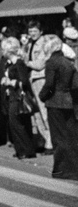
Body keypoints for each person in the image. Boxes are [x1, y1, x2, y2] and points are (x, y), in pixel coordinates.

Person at [37, 35, 78, 180]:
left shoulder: (52, 63)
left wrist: (42, 96)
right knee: (71, 136)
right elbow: (75, 85)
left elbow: (49, 85)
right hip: (69, 101)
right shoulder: (68, 62)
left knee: (58, 137)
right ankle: (73, 169)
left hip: (55, 102)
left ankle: (61, 169)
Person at [0, 37, 37, 159]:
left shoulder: (19, 63)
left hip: (18, 97)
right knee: (16, 124)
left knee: (17, 123)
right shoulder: (9, 64)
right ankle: (21, 149)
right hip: (11, 96)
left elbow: (24, 82)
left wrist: (10, 82)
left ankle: (27, 149)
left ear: (8, 50)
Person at [22, 21, 54, 151]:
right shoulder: (29, 44)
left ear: (41, 31)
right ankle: (45, 139)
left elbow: (40, 64)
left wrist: (27, 62)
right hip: (31, 79)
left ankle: (50, 142)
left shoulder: (44, 44)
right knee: (36, 112)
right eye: (30, 32)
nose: (32, 34)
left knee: (44, 110)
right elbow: (23, 56)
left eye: (34, 31)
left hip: (40, 78)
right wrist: (24, 47)